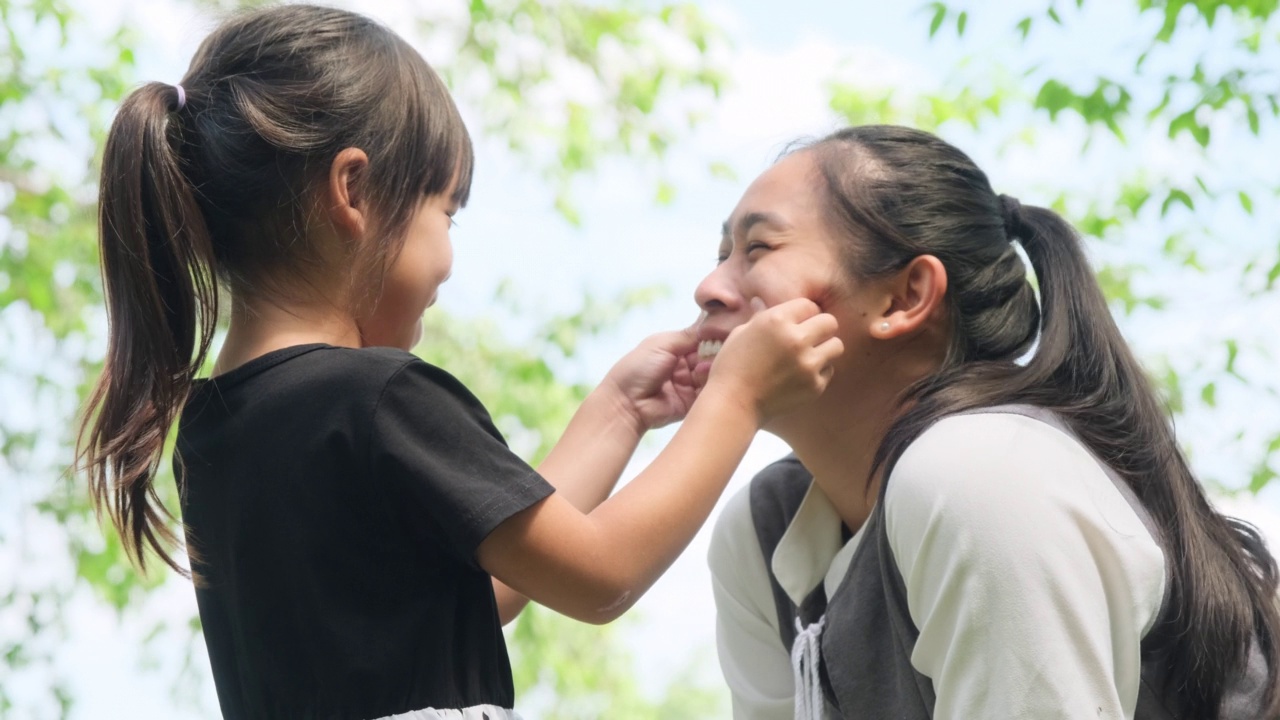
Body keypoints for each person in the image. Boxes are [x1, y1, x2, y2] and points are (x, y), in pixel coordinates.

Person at [75, 6, 844, 719]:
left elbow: (487, 590)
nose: (448, 258)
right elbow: (602, 575)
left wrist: (620, 411)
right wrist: (736, 398)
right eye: (446, 212)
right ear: (354, 192)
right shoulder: (377, 398)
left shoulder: (218, 427)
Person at [702, 125, 1277, 720]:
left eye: (758, 249)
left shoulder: (980, 473)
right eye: (721, 255)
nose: (709, 288)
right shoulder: (764, 530)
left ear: (905, 297)